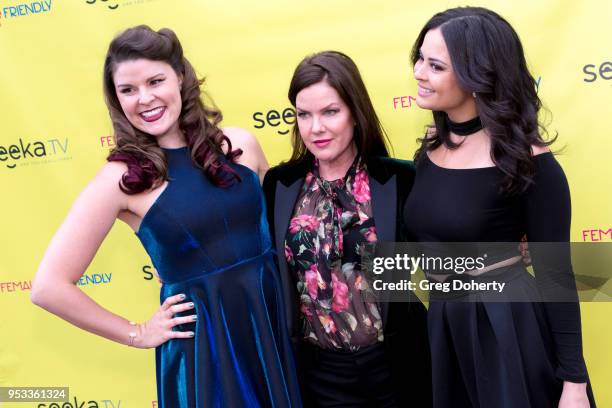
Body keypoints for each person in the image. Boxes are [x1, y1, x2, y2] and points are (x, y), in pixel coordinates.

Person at [31, 25, 301, 408]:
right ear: (117, 100)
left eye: (155, 81)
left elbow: (283, 235)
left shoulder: (241, 145)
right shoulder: (120, 180)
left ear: (180, 76)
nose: (145, 99)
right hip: (207, 353)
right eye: (128, 90)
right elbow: (48, 287)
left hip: (276, 326)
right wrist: (137, 333)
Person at [403, 7, 596, 407]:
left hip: (507, 329)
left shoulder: (529, 161)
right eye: (420, 58)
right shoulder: (428, 153)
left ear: (478, 76)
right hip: (445, 328)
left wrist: (574, 383)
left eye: (435, 65)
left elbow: (556, 274)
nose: (419, 73)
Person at [263, 51, 432, 407]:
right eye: (303, 115)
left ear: (355, 111)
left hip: (400, 368)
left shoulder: (400, 179)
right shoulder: (279, 185)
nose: (315, 128)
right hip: (319, 376)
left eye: (330, 112)